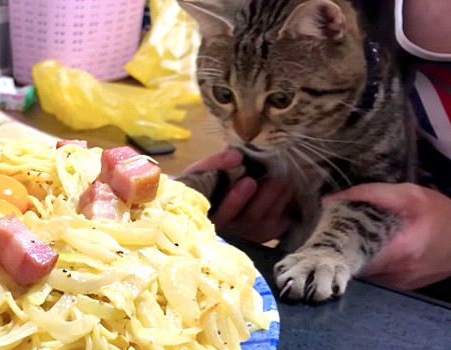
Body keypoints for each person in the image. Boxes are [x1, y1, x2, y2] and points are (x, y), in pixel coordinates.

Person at [182, 0, 451, 292]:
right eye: (224, 95)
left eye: (280, 100)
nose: (245, 130)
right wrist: (184, 202)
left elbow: (374, 190)